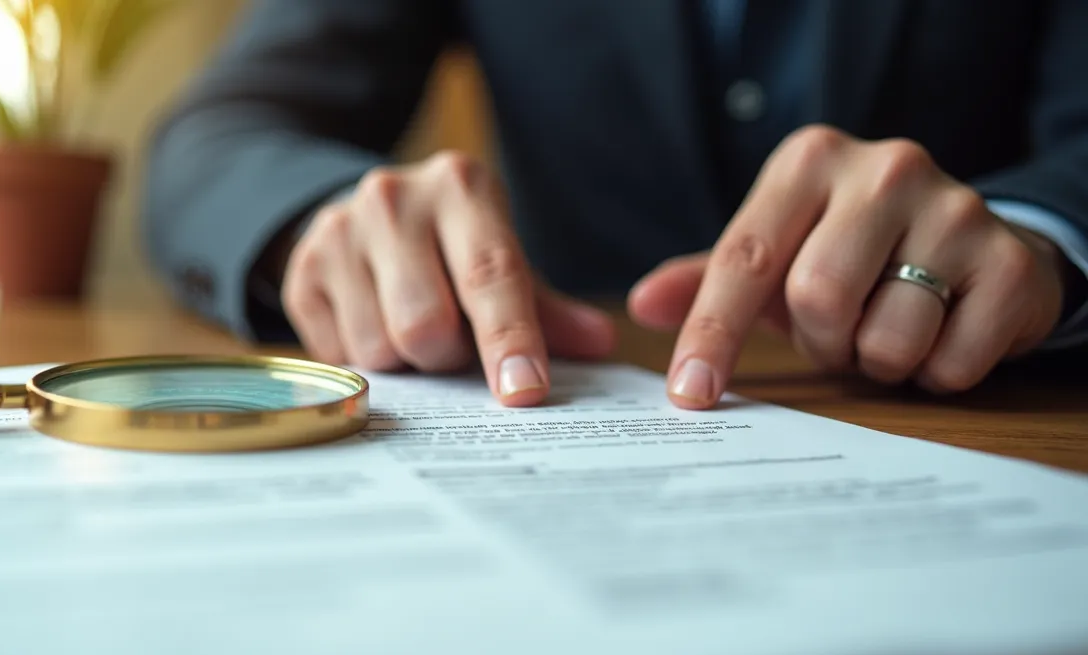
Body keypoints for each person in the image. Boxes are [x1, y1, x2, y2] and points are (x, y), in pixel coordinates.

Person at [143, 0, 1088, 410]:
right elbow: (218, 135)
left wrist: (1041, 240)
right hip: (566, 398)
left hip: (975, 400)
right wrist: (320, 220)